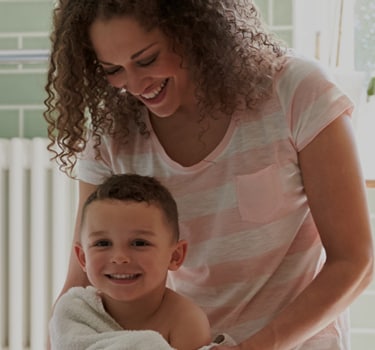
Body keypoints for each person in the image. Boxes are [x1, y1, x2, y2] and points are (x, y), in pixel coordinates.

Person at [44, 1, 374, 349]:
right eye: (113, 69)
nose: (135, 84)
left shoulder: (295, 92)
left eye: (147, 60)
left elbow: (354, 261)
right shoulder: (112, 137)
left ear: (191, 31)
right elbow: (81, 287)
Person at [49, 173, 213, 350]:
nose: (120, 257)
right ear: (82, 258)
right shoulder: (74, 313)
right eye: (103, 243)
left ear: (175, 256)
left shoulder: (185, 321)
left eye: (139, 243)